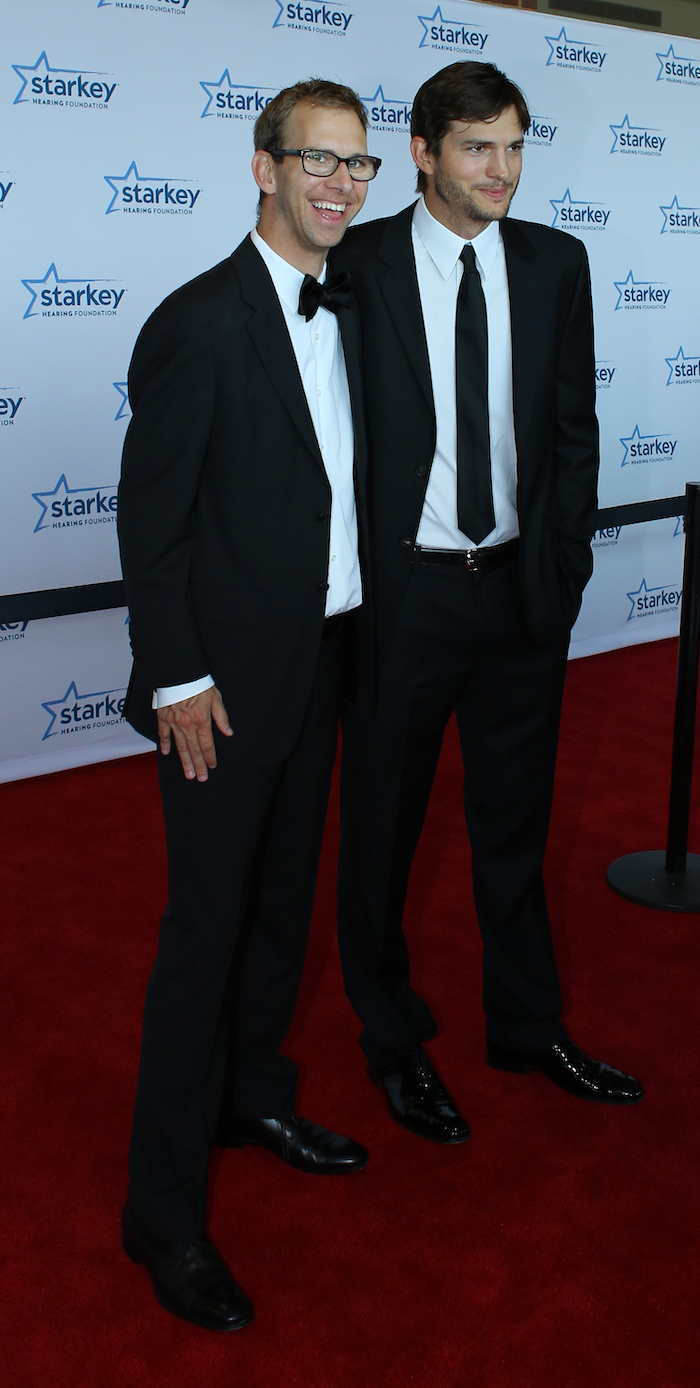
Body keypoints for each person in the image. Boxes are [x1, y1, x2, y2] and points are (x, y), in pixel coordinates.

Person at [332, 61, 643, 1145]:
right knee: (381, 829)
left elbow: (569, 431)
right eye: (478, 148)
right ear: (423, 154)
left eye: (514, 146)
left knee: (514, 825)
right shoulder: (357, 263)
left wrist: (559, 573)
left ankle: (524, 1021)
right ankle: (390, 1038)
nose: (502, 170)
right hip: (404, 596)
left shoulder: (559, 263)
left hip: (517, 592)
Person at [117, 78, 381, 1332]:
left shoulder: (358, 305)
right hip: (217, 691)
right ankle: (161, 1212)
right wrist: (178, 677)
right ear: (264, 165)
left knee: (284, 911)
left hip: (323, 659)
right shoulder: (199, 322)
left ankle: (253, 1093)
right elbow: (150, 524)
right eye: (315, 161)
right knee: (202, 937)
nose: (338, 185)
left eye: (358, 166)